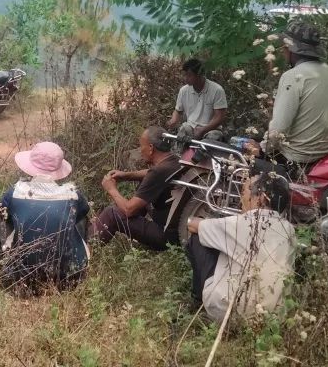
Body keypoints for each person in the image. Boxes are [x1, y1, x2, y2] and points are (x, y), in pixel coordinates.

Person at [186, 166, 296, 323]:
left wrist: (194, 220)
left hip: (231, 311)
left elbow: (193, 225)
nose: (241, 199)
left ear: (261, 198)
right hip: (273, 319)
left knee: (198, 239)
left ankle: (199, 302)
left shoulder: (240, 223)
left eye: (244, 192)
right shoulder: (289, 230)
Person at [0, 142, 90, 293]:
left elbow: (0, 216)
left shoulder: (15, 192)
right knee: (80, 217)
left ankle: (5, 267)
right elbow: (83, 214)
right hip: (67, 279)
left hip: (22, 278)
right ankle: (77, 264)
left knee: (2, 218)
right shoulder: (73, 194)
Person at [265, 20, 328, 174]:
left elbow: (278, 130)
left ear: (290, 48)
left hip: (297, 159)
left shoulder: (293, 76)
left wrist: (264, 148)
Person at [90, 126, 180, 250]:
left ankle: (86, 248)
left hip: (167, 237)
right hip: (178, 230)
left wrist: (111, 189)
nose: (140, 150)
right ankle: (99, 226)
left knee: (112, 213)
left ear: (150, 148)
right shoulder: (175, 161)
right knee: (142, 185)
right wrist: (126, 175)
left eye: (141, 146)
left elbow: (128, 210)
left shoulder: (158, 172)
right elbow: (150, 173)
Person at [167, 59, 228, 140]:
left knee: (213, 137)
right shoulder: (184, 90)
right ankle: (177, 153)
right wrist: (173, 120)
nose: (185, 78)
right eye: (184, 75)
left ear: (199, 74)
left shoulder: (217, 90)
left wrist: (203, 129)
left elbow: (219, 117)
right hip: (191, 127)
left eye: (189, 75)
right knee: (183, 131)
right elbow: (178, 110)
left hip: (211, 129)